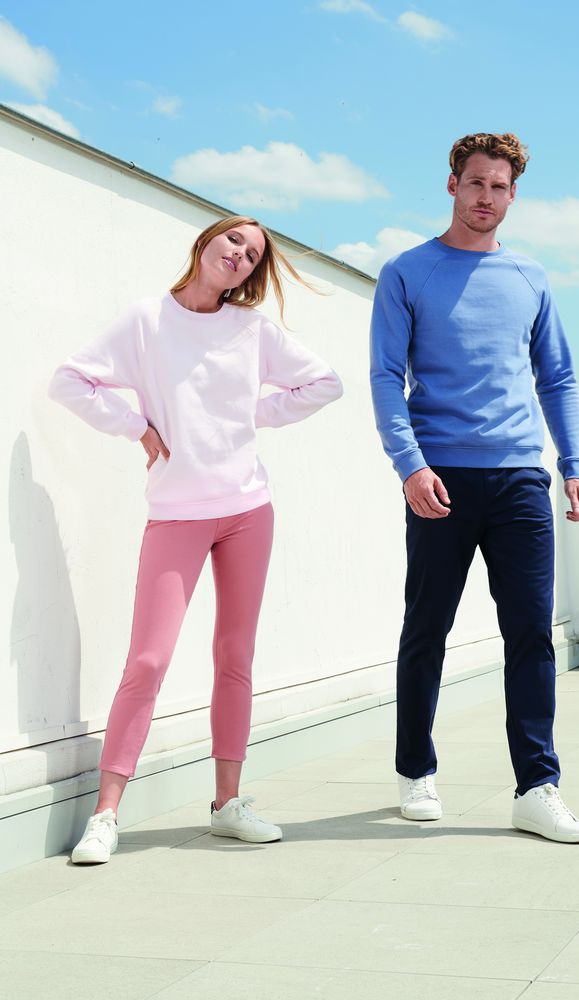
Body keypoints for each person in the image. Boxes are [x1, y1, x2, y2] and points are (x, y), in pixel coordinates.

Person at [49, 216, 342, 863]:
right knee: (148, 661)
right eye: (234, 239)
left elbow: (325, 382)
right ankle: (105, 815)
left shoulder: (251, 330)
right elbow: (69, 380)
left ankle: (226, 805)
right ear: (206, 241)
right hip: (176, 512)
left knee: (235, 656)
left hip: (247, 510)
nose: (240, 254)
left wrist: (251, 415)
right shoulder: (146, 320)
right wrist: (135, 426)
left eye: (253, 253)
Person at [370, 133, 579, 844]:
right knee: (426, 629)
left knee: (530, 633)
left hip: (520, 478)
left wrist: (574, 465)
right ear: (452, 185)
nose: (485, 197)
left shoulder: (530, 276)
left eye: (498, 187)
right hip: (439, 476)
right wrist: (410, 465)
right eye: (475, 183)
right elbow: (386, 377)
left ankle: (537, 787)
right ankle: (415, 770)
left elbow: (556, 376)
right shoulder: (407, 272)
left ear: (512, 194)